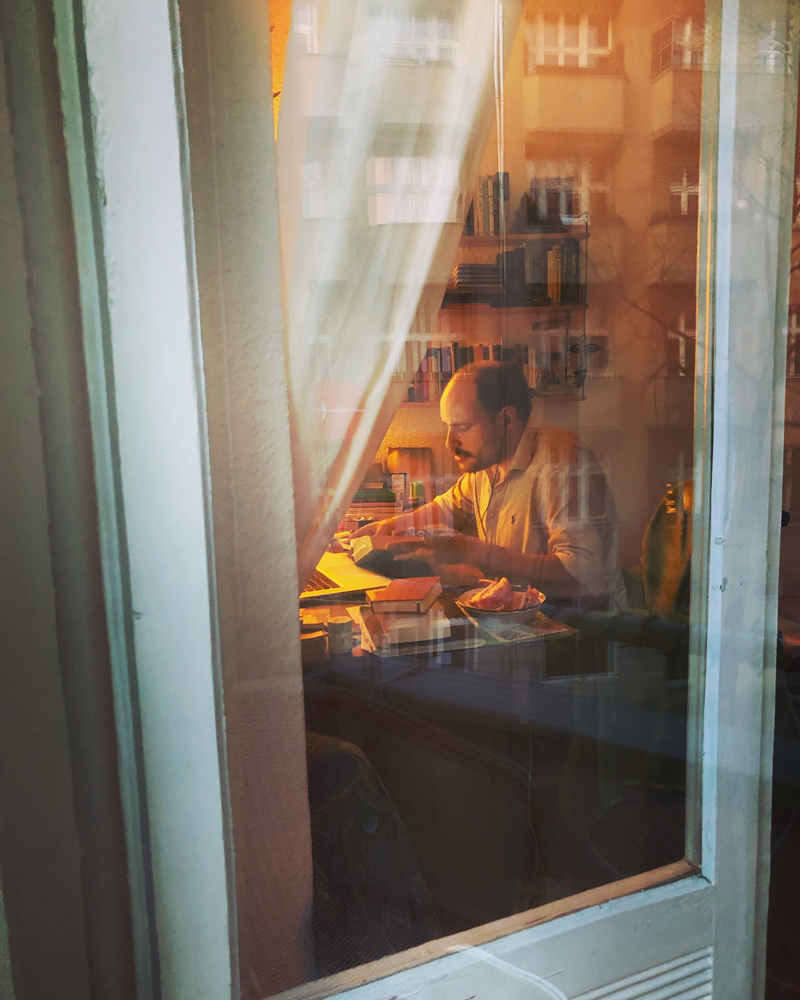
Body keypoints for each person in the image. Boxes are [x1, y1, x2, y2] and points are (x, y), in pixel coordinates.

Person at [354, 361, 626, 608]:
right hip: (518, 620)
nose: (450, 442)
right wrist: (390, 526)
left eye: (462, 427)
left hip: (582, 632)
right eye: (448, 426)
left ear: (507, 419)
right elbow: (448, 507)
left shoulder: (563, 465)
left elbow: (580, 577)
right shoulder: (486, 464)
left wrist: (476, 552)